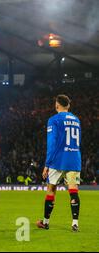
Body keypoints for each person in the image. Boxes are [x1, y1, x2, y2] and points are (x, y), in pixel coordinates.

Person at [37, 95, 82, 232]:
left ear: (57, 105)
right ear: (68, 105)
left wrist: (47, 164)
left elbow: (52, 143)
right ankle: (75, 223)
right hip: (74, 158)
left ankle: (45, 222)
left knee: (51, 189)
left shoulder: (54, 120)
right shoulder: (76, 119)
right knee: (73, 190)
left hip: (58, 159)